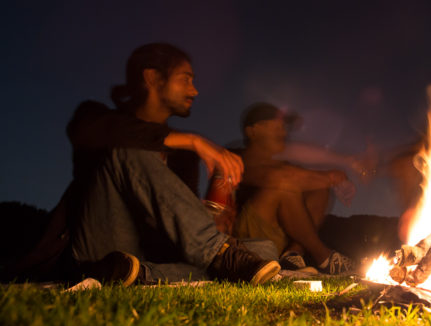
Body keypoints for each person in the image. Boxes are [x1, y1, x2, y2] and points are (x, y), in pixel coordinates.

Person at [62, 43, 280, 285]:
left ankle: (140, 275)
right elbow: (95, 132)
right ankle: (220, 254)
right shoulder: (97, 118)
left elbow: (177, 216)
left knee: (264, 249)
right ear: (153, 78)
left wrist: (212, 220)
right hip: (100, 246)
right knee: (131, 150)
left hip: (144, 256)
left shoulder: (183, 154)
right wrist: (193, 140)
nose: (194, 91)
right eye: (185, 79)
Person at [234, 102, 365, 274]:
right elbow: (269, 177)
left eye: (284, 127)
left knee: (318, 189)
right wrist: (331, 177)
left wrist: (334, 180)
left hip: (278, 235)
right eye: (277, 126)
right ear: (253, 131)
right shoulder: (236, 156)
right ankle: (325, 257)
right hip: (244, 239)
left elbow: (307, 177)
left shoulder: (283, 165)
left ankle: (293, 255)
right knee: (284, 183)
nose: (283, 132)